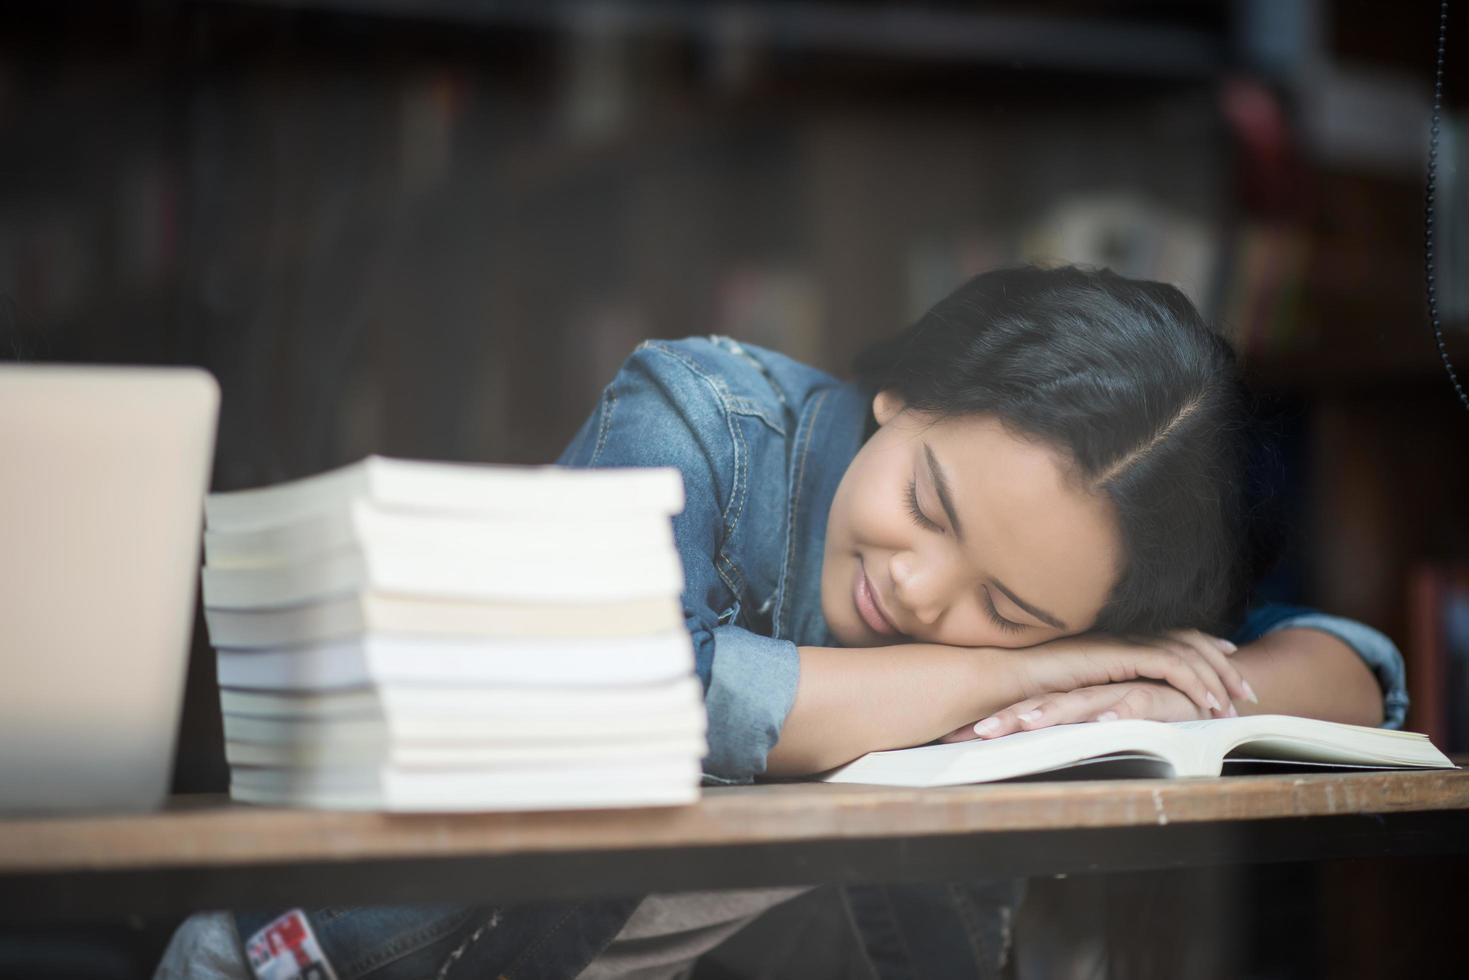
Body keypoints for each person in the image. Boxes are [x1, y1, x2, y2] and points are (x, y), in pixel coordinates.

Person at [155, 265, 1406, 979]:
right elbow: (652, 688)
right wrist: (1036, 660)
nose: (920, 589)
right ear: (904, 393)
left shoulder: (1101, 588)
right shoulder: (700, 413)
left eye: (1007, 607)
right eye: (927, 504)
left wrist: (1137, 691)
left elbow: (1351, 671)